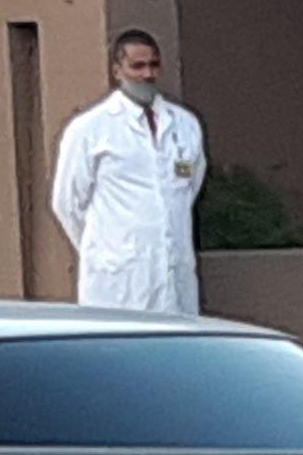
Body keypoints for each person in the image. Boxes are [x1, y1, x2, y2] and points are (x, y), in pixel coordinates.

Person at [48, 30, 206, 314]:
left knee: (176, 337)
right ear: (117, 71)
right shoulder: (90, 128)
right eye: (137, 66)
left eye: (153, 65)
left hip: (174, 271)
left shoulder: (185, 124)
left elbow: (188, 189)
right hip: (117, 279)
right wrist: (106, 249)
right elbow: (67, 203)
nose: (147, 74)